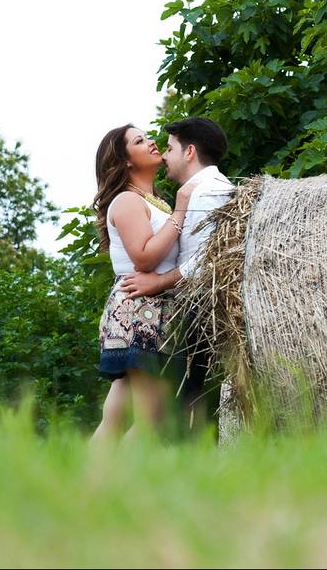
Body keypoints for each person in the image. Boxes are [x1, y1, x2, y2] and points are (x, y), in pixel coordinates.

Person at [119, 117, 233, 432]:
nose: (164, 155)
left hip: (205, 308)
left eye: (170, 148)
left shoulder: (208, 192)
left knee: (194, 399)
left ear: (189, 152)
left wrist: (158, 281)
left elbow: (208, 260)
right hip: (192, 306)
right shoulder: (195, 192)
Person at [90, 123, 197, 441]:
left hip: (148, 309)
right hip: (140, 310)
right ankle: (117, 485)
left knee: (117, 416)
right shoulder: (126, 201)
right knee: (154, 414)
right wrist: (180, 210)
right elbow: (145, 258)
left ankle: (87, 483)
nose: (152, 142)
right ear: (125, 161)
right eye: (140, 141)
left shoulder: (150, 201)